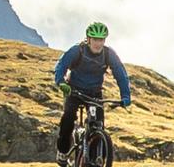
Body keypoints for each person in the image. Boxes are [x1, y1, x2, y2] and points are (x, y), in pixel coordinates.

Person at [51, 22, 129, 155]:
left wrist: (126, 96)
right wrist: (61, 82)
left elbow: (121, 74)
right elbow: (61, 65)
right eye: (95, 39)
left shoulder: (108, 54)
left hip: (94, 93)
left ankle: (94, 162)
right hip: (74, 90)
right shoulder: (77, 50)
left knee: (98, 125)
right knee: (68, 118)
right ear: (88, 39)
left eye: (101, 39)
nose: (98, 43)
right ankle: (63, 153)